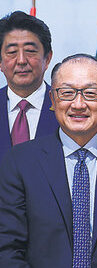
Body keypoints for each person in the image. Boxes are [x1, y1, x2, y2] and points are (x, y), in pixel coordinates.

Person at [0, 54, 97, 268]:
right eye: (67, 93)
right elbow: (8, 249)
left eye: (90, 93)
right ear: (53, 99)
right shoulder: (19, 163)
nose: (78, 104)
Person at [0, 11, 58, 160]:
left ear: (48, 58)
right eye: (12, 52)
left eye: (30, 51)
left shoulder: (66, 106)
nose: (21, 60)